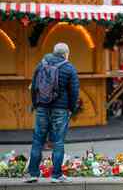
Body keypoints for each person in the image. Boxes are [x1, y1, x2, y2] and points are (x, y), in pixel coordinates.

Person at [26, 43, 79, 183]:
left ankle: (33, 174)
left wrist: (36, 104)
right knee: (58, 141)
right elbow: (74, 91)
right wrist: (71, 108)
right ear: (66, 53)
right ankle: (56, 175)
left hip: (42, 107)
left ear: (54, 52)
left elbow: (34, 86)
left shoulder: (41, 64)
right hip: (60, 109)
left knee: (38, 140)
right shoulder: (69, 68)